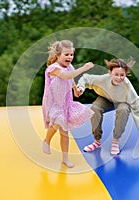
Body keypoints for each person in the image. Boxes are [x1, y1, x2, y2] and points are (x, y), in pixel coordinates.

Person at [75, 58, 139, 155]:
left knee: (123, 109)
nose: (119, 78)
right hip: (106, 99)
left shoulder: (128, 88)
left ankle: (115, 141)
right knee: (94, 108)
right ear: (110, 73)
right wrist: (81, 87)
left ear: (126, 74)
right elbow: (85, 78)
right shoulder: (103, 79)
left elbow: (138, 111)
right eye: (116, 74)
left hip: (122, 102)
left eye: (122, 75)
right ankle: (97, 141)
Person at [42, 40, 94, 168]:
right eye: (66, 54)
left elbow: (70, 79)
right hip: (54, 103)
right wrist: (84, 68)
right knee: (58, 121)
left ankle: (65, 158)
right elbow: (66, 76)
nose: (70, 57)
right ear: (58, 55)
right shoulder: (53, 68)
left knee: (64, 133)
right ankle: (46, 140)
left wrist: (75, 89)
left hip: (66, 103)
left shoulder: (70, 67)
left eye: (71, 54)